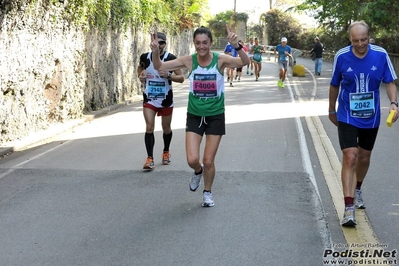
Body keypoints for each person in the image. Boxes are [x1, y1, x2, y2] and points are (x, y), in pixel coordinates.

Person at [150, 26, 249, 207]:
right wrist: (155, 52)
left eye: (205, 43)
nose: (201, 47)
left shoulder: (220, 60)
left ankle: (207, 192)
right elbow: (159, 66)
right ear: (194, 44)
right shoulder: (189, 61)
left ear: (210, 43)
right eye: (198, 43)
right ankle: (198, 172)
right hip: (195, 116)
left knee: (208, 160)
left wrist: (237, 46)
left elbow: (244, 62)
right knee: (193, 160)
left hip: (215, 116)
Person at [328, 20, 398, 226]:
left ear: (369, 37)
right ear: (350, 39)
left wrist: (394, 103)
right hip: (347, 113)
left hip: (371, 115)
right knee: (350, 156)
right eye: (355, 40)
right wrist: (331, 109)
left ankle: (357, 189)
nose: (359, 44)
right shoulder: (341, 56)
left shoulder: (381, 55)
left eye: (363, 40)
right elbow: (334, 85)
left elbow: (390, 82)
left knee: (364, 158)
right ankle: (348, 208)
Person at [138, 32, 185, 170]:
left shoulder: (170, 59)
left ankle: (166, 152)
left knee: (166, 128)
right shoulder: (145, 57)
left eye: (161, 43)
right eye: (156, 43)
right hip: (150, 98)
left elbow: (181, 78)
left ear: (165, 44)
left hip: (166, 99)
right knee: (149, 127)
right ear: (151, 43)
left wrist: (169, 76)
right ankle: (150, 159)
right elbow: (140, 68)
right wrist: (140, 75)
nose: (158, 45)